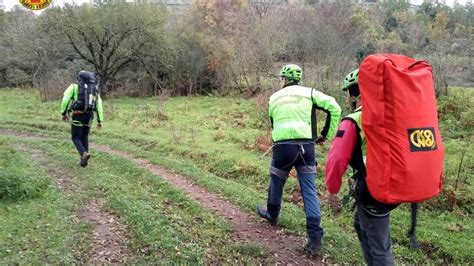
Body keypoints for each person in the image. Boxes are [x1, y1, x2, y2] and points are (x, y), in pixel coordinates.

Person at [257, 64, 342, 254]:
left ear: (285, 80)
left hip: (283, 148)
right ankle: (314, 239)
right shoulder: (309, 93)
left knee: (276, 183)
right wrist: (325, 135)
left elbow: (273, 122)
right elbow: (334, 107)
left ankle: (272, 214)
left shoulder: (274, 98)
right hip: (307, 148)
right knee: (309, 191)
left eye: (281, 78)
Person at [325, 69, 397, 265]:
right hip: (397, 181)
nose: (347, 98)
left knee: (380, 246)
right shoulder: (393, 114)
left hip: (375, 188)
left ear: (355, 93)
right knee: (361, 223)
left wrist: (332, 189)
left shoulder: (354, 120)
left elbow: (336, 159)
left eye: (347, 93)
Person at [60, 71, 103, 167]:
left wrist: (64, 112)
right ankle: (84, 161)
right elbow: (99, 104)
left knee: (75, 137)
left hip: (78, 114)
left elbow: (65, 99)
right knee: (84, 137)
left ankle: (83, 153)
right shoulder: (94, 89)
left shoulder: (74, 87)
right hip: (89, 116)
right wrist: (100, 120)